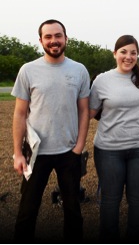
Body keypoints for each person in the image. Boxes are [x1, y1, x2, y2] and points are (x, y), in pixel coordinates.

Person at [12, 19, 90, 242]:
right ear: (41, 41)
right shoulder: (28, 70)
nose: (54, 41)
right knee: (27, 210)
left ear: (66, 38)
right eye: (48, 37)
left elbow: (84, 111)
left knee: (73, 210)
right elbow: (19, 113)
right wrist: (18, 153)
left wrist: (79, 146)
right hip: (36, 153)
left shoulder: (79, 70)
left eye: (58, 35)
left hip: (69, 152)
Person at [89, 35, 139, 242]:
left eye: (133, 52)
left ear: (138, 55)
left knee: (138, 200)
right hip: (109, 150)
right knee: (110, 200)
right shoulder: (102, 80)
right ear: (115, 54)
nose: (128, 57)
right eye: (124, 52)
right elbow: (89, 113)